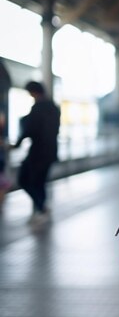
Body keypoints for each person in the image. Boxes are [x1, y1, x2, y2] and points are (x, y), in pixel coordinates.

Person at [12, 81, 60, 225]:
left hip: (38, 152)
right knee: (40, 182)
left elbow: (30, 129)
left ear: (33, 92)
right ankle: (42, 208)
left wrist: (17, 144)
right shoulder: (54, 107)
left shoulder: (37, 108)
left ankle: (41, 208)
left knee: (25, 180)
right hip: (51, 151)